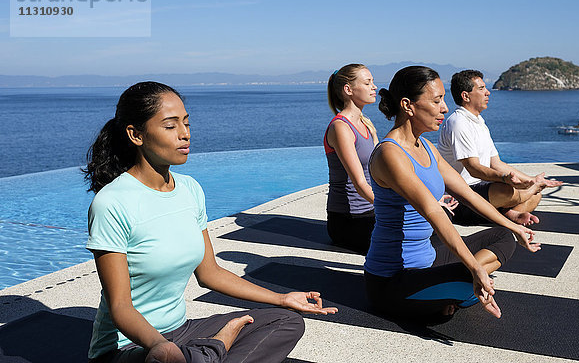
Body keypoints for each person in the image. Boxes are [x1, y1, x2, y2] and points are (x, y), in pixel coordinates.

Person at [83, 82, 337, 363]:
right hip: (130, 347)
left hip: (180, 332)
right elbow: (120, 307)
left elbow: (210, 273)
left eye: (187, 123)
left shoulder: (190, 189)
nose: (184, 134)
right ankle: (209, 351)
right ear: (136, 134)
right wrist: (161, 347)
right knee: (167, 359)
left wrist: (282, 298)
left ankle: (204, 354)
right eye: (170, 126)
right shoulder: (112, 203)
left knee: (286, 321)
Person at [364, 66, 541, 325]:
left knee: (503, 237)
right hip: (392, 279)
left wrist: (514, 226)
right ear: (407, 105)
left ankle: (451, 292)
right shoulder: (390, 154)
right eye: (436, 101)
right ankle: (453, 291)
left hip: (429, 261)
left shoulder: (425, 146)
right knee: (467, 275)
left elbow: (468, 194)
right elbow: (433, 211)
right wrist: (474, 267)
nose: (445, 108)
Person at [437, 70, 563, 226]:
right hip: (460, 198)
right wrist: (508, 180)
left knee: (536, 195)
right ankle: (509, 213)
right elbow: (473, 168)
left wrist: (531, 180)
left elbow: (496, 163)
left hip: (480, 190)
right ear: (465, 96)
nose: (488, 92)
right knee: (507, 191)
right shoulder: (458, 123)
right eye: (481, 88)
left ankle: (510, 214)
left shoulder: (479, 122)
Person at [324, 64, 378, 254]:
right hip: (349, 220)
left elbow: (381, 172)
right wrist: (393, 205)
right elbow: (360, 183)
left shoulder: (367, 124)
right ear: (348, 90)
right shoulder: (341, 128)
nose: (374, 87)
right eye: (367, 82)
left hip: (371, 212)